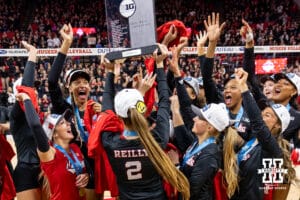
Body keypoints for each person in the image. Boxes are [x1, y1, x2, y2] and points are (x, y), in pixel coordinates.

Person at [88, 44, 190, 200]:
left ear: (119, 116)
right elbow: (164, 101)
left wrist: (109, 72)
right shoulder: (157, 138)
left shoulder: (110, 142)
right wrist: (160, 65)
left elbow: (106, 111)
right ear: (141, 108)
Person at [47, 24, 101, 199]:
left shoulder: (97, 110)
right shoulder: (65, 109)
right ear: (69, 88)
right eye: (76, 82)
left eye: (85, 82)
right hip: (73, 170)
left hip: (95, 169)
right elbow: (52, 82)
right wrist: (66, 44)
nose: (82, 85)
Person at [225, 68, 292, 200]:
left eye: (267, 115)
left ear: (278, 125)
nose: (261, 116)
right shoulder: (252, 141)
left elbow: (257, 123)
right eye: (262, 113)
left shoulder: (273, 150)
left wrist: (244, 87)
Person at [15, 92, 89, 200]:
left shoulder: (75, 148)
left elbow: (83, 172)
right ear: (54, 133)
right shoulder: (50, 154)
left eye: (67, 121)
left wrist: (87, 176)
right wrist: (27, 99)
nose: (69, 124)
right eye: (62, 123)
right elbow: (36, 126)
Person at [169, 94, 228, 200]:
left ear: (209, 127)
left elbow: (191, 190)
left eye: (200, 118)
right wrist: (175, 111)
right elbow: (181, 134)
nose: (195, 119)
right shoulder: (197, 142)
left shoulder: (210, 155)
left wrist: (176, 165)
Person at [10, 41, 42, 200]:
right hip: (25, 172)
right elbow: (26, 89)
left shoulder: (36, 115)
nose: (36, 92)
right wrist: (33, 53)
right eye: (33, 89)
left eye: (36, 89)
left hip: (44, 170)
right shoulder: (16, 115)